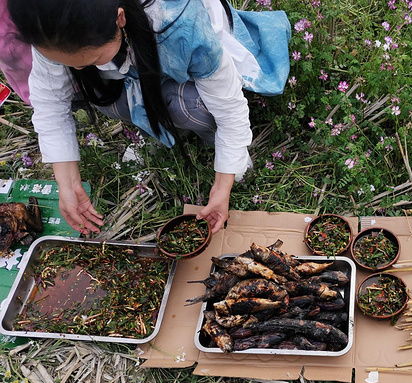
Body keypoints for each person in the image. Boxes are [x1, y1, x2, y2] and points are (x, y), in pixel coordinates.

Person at [8, 0, 290, 235]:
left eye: (89, 59)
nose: (78, 68)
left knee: (187, 106)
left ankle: (211, 140)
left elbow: (229, 107)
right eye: (65, 62)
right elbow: (50, 104)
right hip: (132, 55)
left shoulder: (179, 23)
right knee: (104, 96)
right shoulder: (49, 24)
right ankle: (156, 131)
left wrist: (222, 183)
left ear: (119, 18)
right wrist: (67, 185)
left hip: (184, 54)